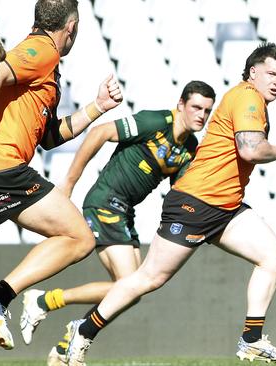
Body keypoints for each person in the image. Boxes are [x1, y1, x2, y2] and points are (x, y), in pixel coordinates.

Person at [64, 42, 276, 365]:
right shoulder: (248, 96)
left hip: (225, 207)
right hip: (196, 203)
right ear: (253, 72)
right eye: (272, 73)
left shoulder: (252, 100)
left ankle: (252, 340)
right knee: (149, 278)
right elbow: (250, 149)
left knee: (273, 256)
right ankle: (83, 330)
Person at [16, 81, 215, 364]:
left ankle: (63, 341)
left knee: (132, 291)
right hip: (105, 202)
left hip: (125, 212)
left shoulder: (189, 148)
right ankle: (47, 304)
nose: (201, 115)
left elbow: (181, 192)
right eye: (196, 107)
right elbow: (99, 132)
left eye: (207, 110)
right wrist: (69, 183)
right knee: (129, 285)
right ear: (181, 104)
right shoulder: (155, 121)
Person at [0, 0, 123, 351]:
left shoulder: (43, 63)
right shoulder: (40, 50)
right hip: (4, 169)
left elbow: (49, 137)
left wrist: (98, 107)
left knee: (75, 236)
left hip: (5, 172)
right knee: (78, 237)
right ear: (72, 28)